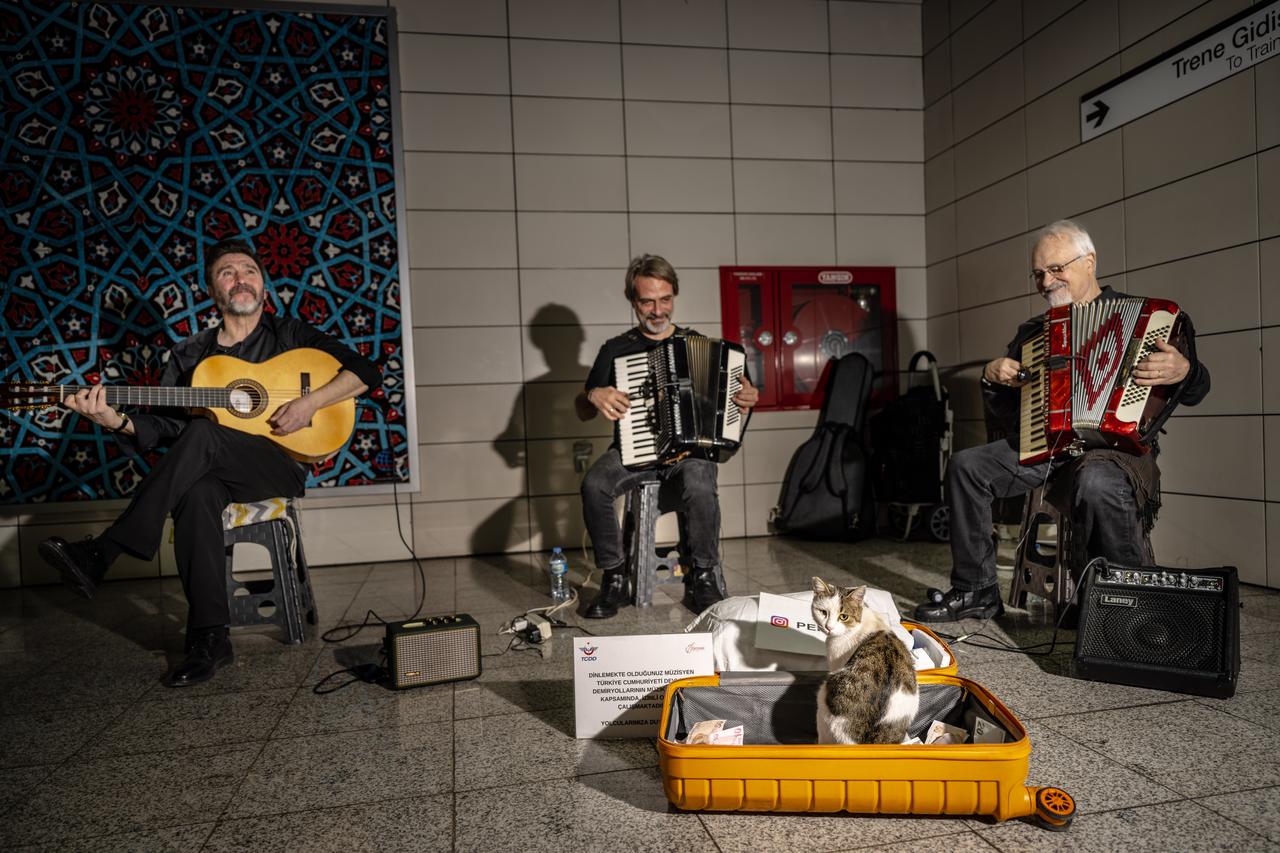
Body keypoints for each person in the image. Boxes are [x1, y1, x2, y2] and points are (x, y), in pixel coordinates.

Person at [38, 238, 381, 686]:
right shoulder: (189, 355)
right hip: (213, 468)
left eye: (248, 269)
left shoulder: (291, 335)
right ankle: (209, 638)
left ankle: (107, 549)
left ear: (263, 283)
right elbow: (166, 430)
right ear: (212, 289)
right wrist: (114, 420)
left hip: (275, 464)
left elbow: (365, 373)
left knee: (203, 433)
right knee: (196, 491)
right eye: (227, 272)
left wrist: (310, 403)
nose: (240, 277)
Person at [913, 219, 1210, 623]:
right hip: (1048, 446)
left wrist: (1185, 371)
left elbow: (1196, 391)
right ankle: (976, 590)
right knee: (967, 467)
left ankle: (1133, 604)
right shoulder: (1035, 333)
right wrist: (993, 379)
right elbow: (1006, 414)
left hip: (1116, 451)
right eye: (1038, 273)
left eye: (1056, 269)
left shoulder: (1150, 319)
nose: (1045, 280)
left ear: (1089, 262)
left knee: (1097, 480)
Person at [575, 254, 759, 618]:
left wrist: (747, 402)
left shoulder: (699, 344)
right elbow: (583, 411)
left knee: (701, 477)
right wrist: (592, 395)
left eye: (665, 299)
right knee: (594, 484)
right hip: (633, 451)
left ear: (674, 296)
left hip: (687, 454)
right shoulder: (615, 350)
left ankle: (703, 575)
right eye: (647, 301)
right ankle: (614, 577)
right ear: (633, 301)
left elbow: (730, 411)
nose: (658, 310)